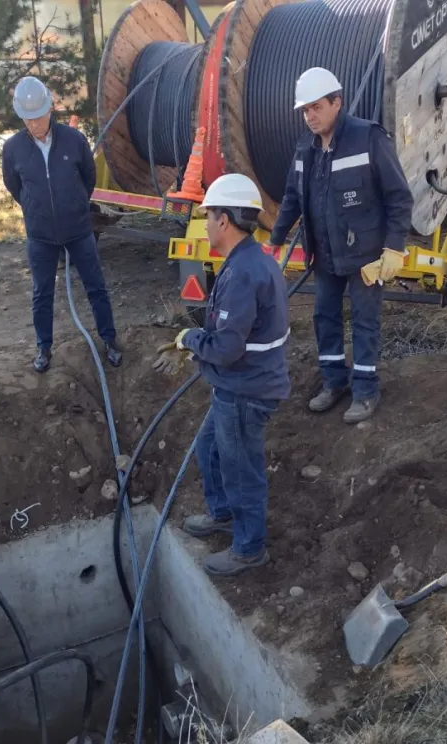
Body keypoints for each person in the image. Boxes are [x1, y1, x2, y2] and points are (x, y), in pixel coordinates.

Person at [154, 174, 290, 577]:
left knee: (240, 470)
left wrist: (190, 338)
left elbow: (228, 348)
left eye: (209, 214)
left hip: (245, 389)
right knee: (210, 452)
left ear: (225, 220)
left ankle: (249, 548)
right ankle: (225, 514)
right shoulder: (246, 261)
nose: (207, 222)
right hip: (237, 385)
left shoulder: (244, 273)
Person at [266, 67, 413, 424]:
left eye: (316, 107)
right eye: (305, 110)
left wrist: (394, 246)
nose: (310, 116)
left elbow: (399, 197)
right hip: (325, 253)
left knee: (364, 321)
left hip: (365, 256)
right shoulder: (305, 149)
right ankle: (334, 382)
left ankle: (365, 390)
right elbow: (290, 198)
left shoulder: (369, 138)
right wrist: (275, 240)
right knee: (324, 317)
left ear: (337, 102)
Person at [1, 76, 122, 373]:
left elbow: (88, 179)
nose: (33, 124)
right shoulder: (13, 148)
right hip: (40, 236)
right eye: (27, 119)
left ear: (49, 109)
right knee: (42, 293)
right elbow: (14, 186)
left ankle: (109, 340)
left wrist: (74, 206)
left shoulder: (73, 140)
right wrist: (36, 210)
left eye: (37, 116)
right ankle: (44, 347)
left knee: (96, 287)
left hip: (79, 230)